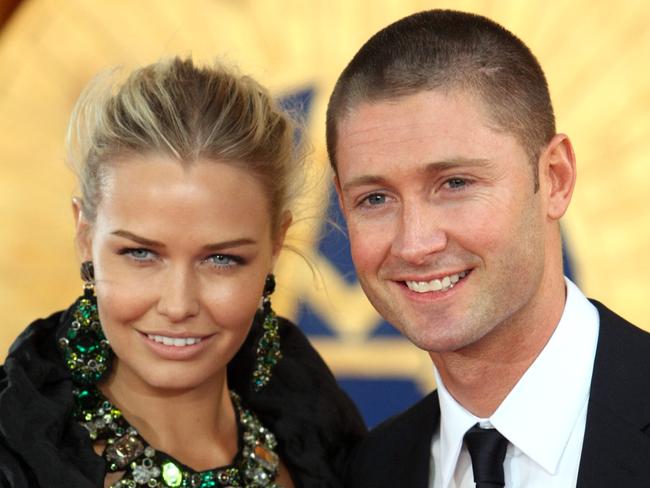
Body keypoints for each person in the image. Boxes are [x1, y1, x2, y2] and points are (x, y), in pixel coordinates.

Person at [0, 57, 365, 488]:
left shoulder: (320, 429)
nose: (178, 305)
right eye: (140, 253)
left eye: (221, 259)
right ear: (85, 236)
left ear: (275, 245)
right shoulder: (17, 453)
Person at [326, 9, 650, 488]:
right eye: (374, 198)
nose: (415, 244)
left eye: (455, 183)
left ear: (554, 177)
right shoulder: (368, 470)